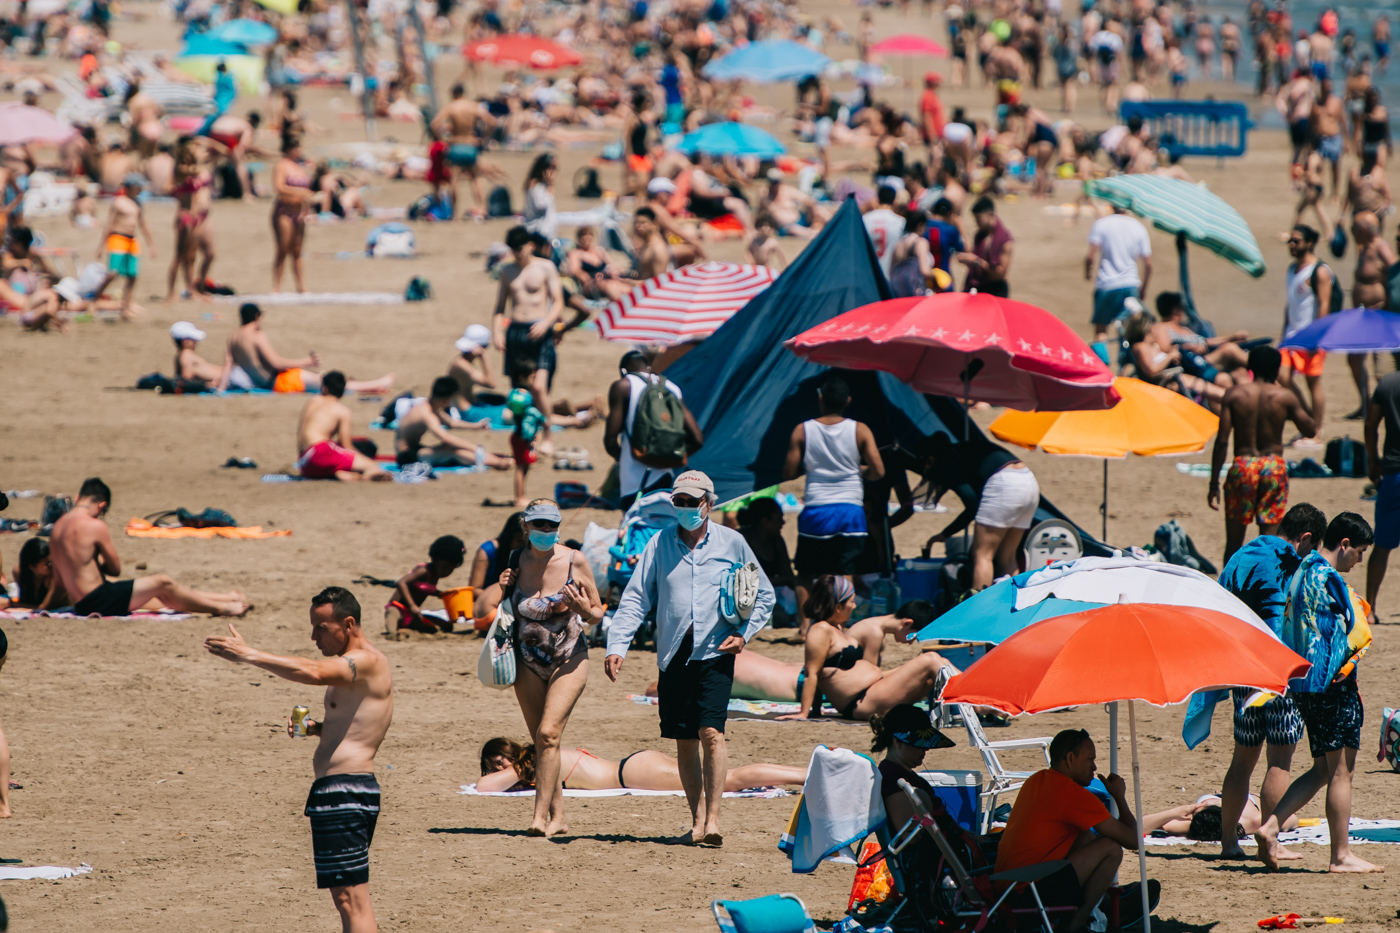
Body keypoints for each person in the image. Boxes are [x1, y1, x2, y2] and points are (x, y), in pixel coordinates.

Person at [204, 587, 394, 932]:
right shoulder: (356, 667)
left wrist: (249, 654)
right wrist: (318, 728)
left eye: (321, 628)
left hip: (346, 791)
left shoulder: (367, 661)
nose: (313, 636)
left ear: (348, 624)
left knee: (352, 901)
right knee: (350, 900)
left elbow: (314, 671)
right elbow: (356, 724)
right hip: (343, 790)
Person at [605, 471, 775, 847]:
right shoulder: (659, 543)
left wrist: (744, 635)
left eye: (691, 502)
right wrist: (617, 646)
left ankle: (713, 819)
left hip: (715, 650)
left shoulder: (732, 542)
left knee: (711, 732)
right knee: (684, 739)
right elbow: (636, 597)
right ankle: (696, 817)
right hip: (672, 652)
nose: (684, 508)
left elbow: (764, 594)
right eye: (678, 501)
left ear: (709, 504)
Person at [1256, 513, 1382, 873]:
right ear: (1343, 544)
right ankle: (1341, 855)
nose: (1357, 561)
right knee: (1342, 772)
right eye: (1358, 552)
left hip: (1302, 685)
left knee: (1321, 770)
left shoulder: (1300, 568)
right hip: (1331, 685)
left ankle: (1269, 827)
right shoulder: (1329, 579)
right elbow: (1347, 634)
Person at [478, 499, 604, 836]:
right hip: (526, 660)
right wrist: (503, 585)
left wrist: (583, 608)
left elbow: (597, 612)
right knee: (542, 741)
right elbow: (481, 606)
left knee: (549, 733)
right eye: (540, 525)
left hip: (569, 656)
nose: (547, 531)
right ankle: (558, 817)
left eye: (552, 525)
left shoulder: (574, 560)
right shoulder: (515, 560)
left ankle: (537, 818)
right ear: (526, 527)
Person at [1215, 503, 1327, 859]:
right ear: (1305, 537)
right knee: (1279, 761)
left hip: (1242, 670)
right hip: (1277, 675)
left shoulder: (1242, 555)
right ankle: (1270, 841)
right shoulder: (1287, 562)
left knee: (1242, 761)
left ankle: (1229, 844)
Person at [995, 729, 1148, 932]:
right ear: (1070, 758)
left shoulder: (1037, 779)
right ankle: (1076, 923)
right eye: (1090, 759)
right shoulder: (1071, 794)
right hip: (1028, 894)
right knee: (1111, 847)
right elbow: (1133, 840)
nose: (1094, 767)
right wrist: (1119, 796)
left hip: (1005, 891)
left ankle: (1098, 904)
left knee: (1084, 834)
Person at [50, 477, 248, 616]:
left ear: (78, 497)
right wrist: (95, 563)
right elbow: (115, 569)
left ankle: (226, 598)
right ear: (102, 505)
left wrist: (41, 607)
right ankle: (223, 609)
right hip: (97, 600)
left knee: (161, 595)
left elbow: (59, 579)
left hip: (82, 602)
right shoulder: (94, 526)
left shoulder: (57, 528)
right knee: (163, 582)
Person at [782, 375, 885, 634]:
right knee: (845, 571)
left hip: (817, 507)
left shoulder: (802, 430)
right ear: (847, 401)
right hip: (850, 508)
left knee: (805, 572)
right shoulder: (860, 430)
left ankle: (805, 628)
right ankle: (842, 626)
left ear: (820, 398)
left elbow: (789, 473)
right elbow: (878, 470)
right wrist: (859, 472)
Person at [781, 576, 957, 721]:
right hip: (860, 701)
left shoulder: (837, 629)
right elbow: (813, 672)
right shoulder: (820, 630)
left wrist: (817, 710)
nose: (855, 606)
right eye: (851, 601)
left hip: (870, 693)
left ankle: (977, 698)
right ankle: (977, 702)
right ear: (837, 606)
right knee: (930, 659)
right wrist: (805, 712)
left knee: (939, 664)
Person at [1209, 347, 1317, 563]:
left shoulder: (1234, 394)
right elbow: (1310, 429)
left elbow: (1222, 442)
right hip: (1273, 468)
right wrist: (1293, 395)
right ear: (1277, 370)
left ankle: (1228, 591)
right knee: (1270, 544)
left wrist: (1213, 482)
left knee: (1233, 543)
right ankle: (1264, 590)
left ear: (1249, 367)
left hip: (1243, 466)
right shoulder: (1284, 397)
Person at [921, 432, 1041, 591]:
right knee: (1008, 557)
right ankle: (1014, 603)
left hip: (1004, 482)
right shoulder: (964, 450)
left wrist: (946, 533)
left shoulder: (947, 460)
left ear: (930, 459)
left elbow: (972, 504)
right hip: (1028, 481)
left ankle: (978, 608)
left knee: (983, 556)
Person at [477, 737, 807, 793]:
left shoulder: (531, 761)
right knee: (721, 778)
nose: (499, 767)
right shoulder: (538, 758)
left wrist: (507, 771)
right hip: (634, 767)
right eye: (493, 765)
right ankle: (804, 775)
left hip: (633, 773)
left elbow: (484, 787)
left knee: (728, 780)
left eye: (499, 759)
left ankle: (805, 775)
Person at [220, 303, 395, 395]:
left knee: (323, 381)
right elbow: (276, 363)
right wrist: (307, 361)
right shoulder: (257, 336)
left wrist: (221, 389)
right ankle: (376, 384)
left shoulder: (232, 338)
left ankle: (371, 386)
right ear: (257, 317)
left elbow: (228, 364)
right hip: (279, 382)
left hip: (266, 383)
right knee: (329, 383)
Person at [604, 350, 704, 510]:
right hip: (665, 476)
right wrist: (675, 458)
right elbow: (697, 439)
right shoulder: (672, 388)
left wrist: (624, 458)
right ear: (649, 367)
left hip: (633, 480)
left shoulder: (623, 386)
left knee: (635, 529)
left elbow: (610, 440)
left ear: (623, 371)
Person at [493, 226, 563, 439]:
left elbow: (559, 302)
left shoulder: (546, 267)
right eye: (512, 249)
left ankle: (548, 435)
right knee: (519, 393)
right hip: (516, 331)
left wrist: (547, 323)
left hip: (539, 329)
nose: (516, 253)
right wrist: (497, 332)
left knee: (540, 388)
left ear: (531, 246)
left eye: (519, 248)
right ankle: (524, 438)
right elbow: (499, 307)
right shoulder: (507, 271)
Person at [1280, 225, 1334, 446]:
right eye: (1290, 241)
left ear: (1309, 243)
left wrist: (1317, 337)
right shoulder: (1292, 269)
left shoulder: (1319, 271)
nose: (1292, 245)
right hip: (1291, 336)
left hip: (1312, 336)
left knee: (1313, 383)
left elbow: (1324, 305)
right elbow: (1290, 304)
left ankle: (1316, 432)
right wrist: (1283, 332)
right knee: (1282, 377)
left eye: (1297, 241)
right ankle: (1308, 421)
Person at [394, 377, 510, 471]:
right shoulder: (427, 415)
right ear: (446, 400)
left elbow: (451, 423)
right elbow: (446, 438)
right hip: (406, 456)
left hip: (415, 449)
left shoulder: (430, 406)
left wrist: (475, 426)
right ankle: (496, 462)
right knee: (452, 451)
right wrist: (476, 449)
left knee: (456, 447)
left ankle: (491, 459)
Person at [297, 372, 390, 482]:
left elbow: (300, 434)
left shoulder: (312, 401)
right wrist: (363, 459)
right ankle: (361, 478)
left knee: (333, 456)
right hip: (320, 453)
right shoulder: (342, 411)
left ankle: (337, 473)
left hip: (304, 463)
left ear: (325, 388)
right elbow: (346, 445)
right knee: (372, 466)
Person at [1348, 211, 1396, 418]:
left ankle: (1386, 404)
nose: (1352, 232)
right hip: (1362, 316)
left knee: (1381, 367)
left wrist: (1388, 305)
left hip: (1379, 315)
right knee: (1354, 359)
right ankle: (1365, 403)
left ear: (1365, 230)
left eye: (1354, 229)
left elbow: (1396, 273)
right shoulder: (1363, 248)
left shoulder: (1382, 248)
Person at [430, 83, 502, 218]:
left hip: (455, 146)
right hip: (471, 146)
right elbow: (492, 122)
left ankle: (454, 214)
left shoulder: (451, 106)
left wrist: (443, 139)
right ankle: (482, 209)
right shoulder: (473, 106)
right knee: (475, 179)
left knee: (454, 181)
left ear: (454, 94)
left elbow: (434, 124)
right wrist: (483, 138)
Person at [1085, 204, 1153, 341]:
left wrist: (1087, 272)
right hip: (1130, 284)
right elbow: (1148, 264)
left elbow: (1090, 257)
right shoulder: (1139, 227)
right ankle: (1126, 360)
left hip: (1106, 283)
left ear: (1112, 205)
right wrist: (1144, 288)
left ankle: (1104, 361)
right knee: (1129, 328)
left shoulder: (1102, 223)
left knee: (1101, 329)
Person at [94, 174, 156, 320]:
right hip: (117, 238)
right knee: (112, 274)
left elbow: (143, 225)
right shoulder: (119, 202)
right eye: (138, 186)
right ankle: (94, 298)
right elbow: (109, 224)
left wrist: (151, 244)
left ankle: (125, 309)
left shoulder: (138, 203)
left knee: (132, 276)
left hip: (132, 241)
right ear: (131, 187)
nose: (141, 188)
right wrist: (101, 246)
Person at [1365, 369, 1400, 623]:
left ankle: (1371, 608)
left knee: (1382, 545)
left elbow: (1371, 425)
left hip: (1393, 473)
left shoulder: (1387, 383)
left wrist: (1372, 460)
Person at [386, 535, 466, 633]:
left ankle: (406, 628)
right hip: (399, 607)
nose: (446, 572)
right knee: (393, 614)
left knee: (446, 626)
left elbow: (426, 588)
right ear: (434, 559)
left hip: (413, 614)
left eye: (451, 569)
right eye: (444, 567)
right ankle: (393, 632)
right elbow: (402, 582)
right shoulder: (423, 570)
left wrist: (442, 594)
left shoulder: (435, 575)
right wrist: (412, 605)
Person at [271, 137, 315, 293]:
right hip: (284, 210)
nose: (299, 150)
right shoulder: (282, 165)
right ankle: (276, 286)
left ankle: (301, 286)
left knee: (297, 250)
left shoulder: (300, 167)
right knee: (283, 248)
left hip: (299, 212)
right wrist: (301, 191)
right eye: (296, 147)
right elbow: (279, 187)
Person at [960, 196, 1014, 296]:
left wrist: (975, 261)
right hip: (978, 286)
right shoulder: (980, 235)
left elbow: (999, 274)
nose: (976, 223)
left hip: (996, 289)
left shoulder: (1005, 240)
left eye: (979, 219)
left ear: (990, 215)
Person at [469, 512, 525, 591]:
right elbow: (475, 589)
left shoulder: (531, 554)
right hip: (488, 599)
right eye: (519, 541)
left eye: (526, 543)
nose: (523, 546)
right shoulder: (488, 550)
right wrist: (498, 599)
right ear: (508, 537)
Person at [446, 324, 496, 410]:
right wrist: (483, 356)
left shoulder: (462, 360)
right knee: (507, 413)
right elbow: (491, 383)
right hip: (465, 411)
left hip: (467, 405)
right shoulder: (462, 365)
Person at [862, 186, 906, 278]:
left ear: (877, 199)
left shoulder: (864, 219)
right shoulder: (901, 222)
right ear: (894, 201)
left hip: (868, 276)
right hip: (891, 276)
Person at [14, 538, 67, 610]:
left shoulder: (56, 578)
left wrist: (11, 604)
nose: (52, 565)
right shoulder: (19, 573)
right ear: (32, 566)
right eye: (48, 564)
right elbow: (25, 601)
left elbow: (44, 608)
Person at [170, 321, 222, 385]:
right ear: (185, 342)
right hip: (228, 378)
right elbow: (187, 381)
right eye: (193, 339)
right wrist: (210, 385)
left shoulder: (179, 356)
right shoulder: (187, 354)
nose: (196, 342)